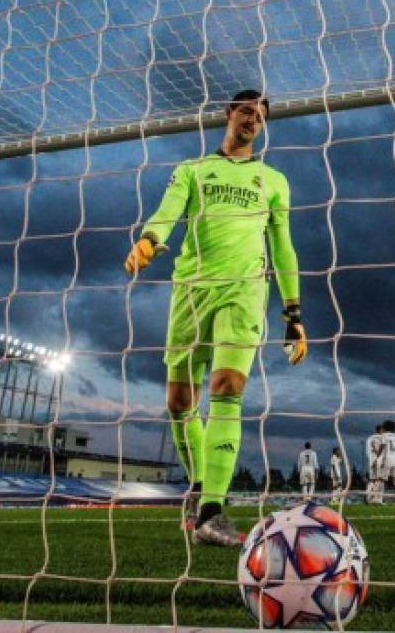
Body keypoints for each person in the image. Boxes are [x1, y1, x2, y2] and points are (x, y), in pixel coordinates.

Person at [125, 89, 306, 547]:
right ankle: (199, 487)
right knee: (179, 402)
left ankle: (212, 511)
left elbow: (282, 247)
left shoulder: (275, 180)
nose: (253, 119)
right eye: (247, 111)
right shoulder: (192, 170)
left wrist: (293, 310)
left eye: (261, 115)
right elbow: (168, 214)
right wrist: (149, 239)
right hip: (190, 291)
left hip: (245, 291)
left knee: (227, 388)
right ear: (229, 114)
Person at [381, 420, 395, 504]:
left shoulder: (383, 436)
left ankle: (380, 498)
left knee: (381, 480)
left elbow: (382, 447)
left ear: (384, 427)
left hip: (387, 459)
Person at [365, 425, 385, 504]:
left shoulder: (369, 438)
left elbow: (368, 451)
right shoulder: (380, 438)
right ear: (380, 430)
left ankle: (367, 496)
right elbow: (379, 449)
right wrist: (377, 459)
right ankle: (377, 499)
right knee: (379, 480)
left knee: (372, 480)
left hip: (371, 460)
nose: (383, 432)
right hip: (377, 460)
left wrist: (371, 459)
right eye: (383, 430)